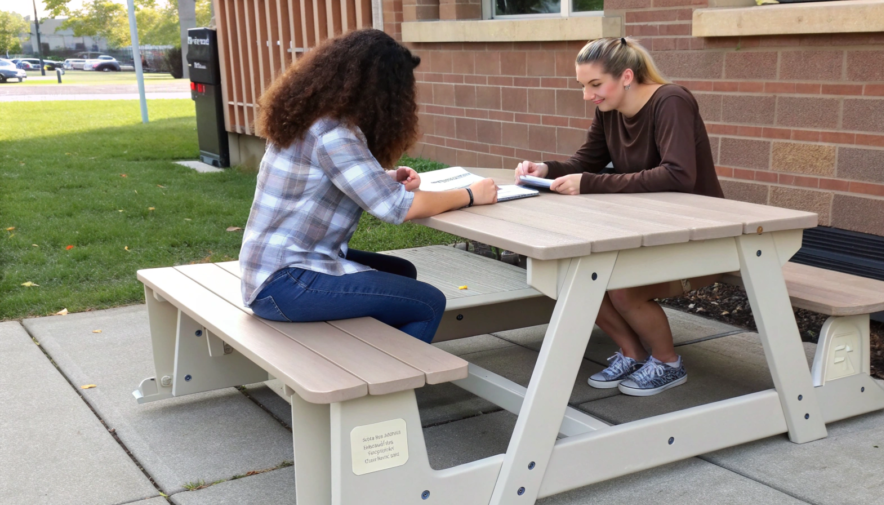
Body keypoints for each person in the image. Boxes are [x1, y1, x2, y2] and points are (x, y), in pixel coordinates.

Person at [239, 29, 498, 343]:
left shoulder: (311, 121)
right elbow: (397, 208)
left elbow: (332, 180)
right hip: (285, 283)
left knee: (401, 272)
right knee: (428, 303)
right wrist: (470, 195)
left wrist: (386, 179)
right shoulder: (334, 136)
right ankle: (393, 370)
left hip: (271, 270)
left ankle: (369, 353)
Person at [515, 36, 723, 397]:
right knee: (578, 277)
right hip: (649, 229)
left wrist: (589, 183)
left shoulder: (671, 101)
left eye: (595, 84)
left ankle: (668, 363)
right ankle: (633, 353)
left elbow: (677, 175)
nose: (588, 95)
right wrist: (545, 169)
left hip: (701, 234)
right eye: (583, 86)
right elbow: (585, 162)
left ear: (626, 76)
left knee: (623, 289)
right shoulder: (609, 109)